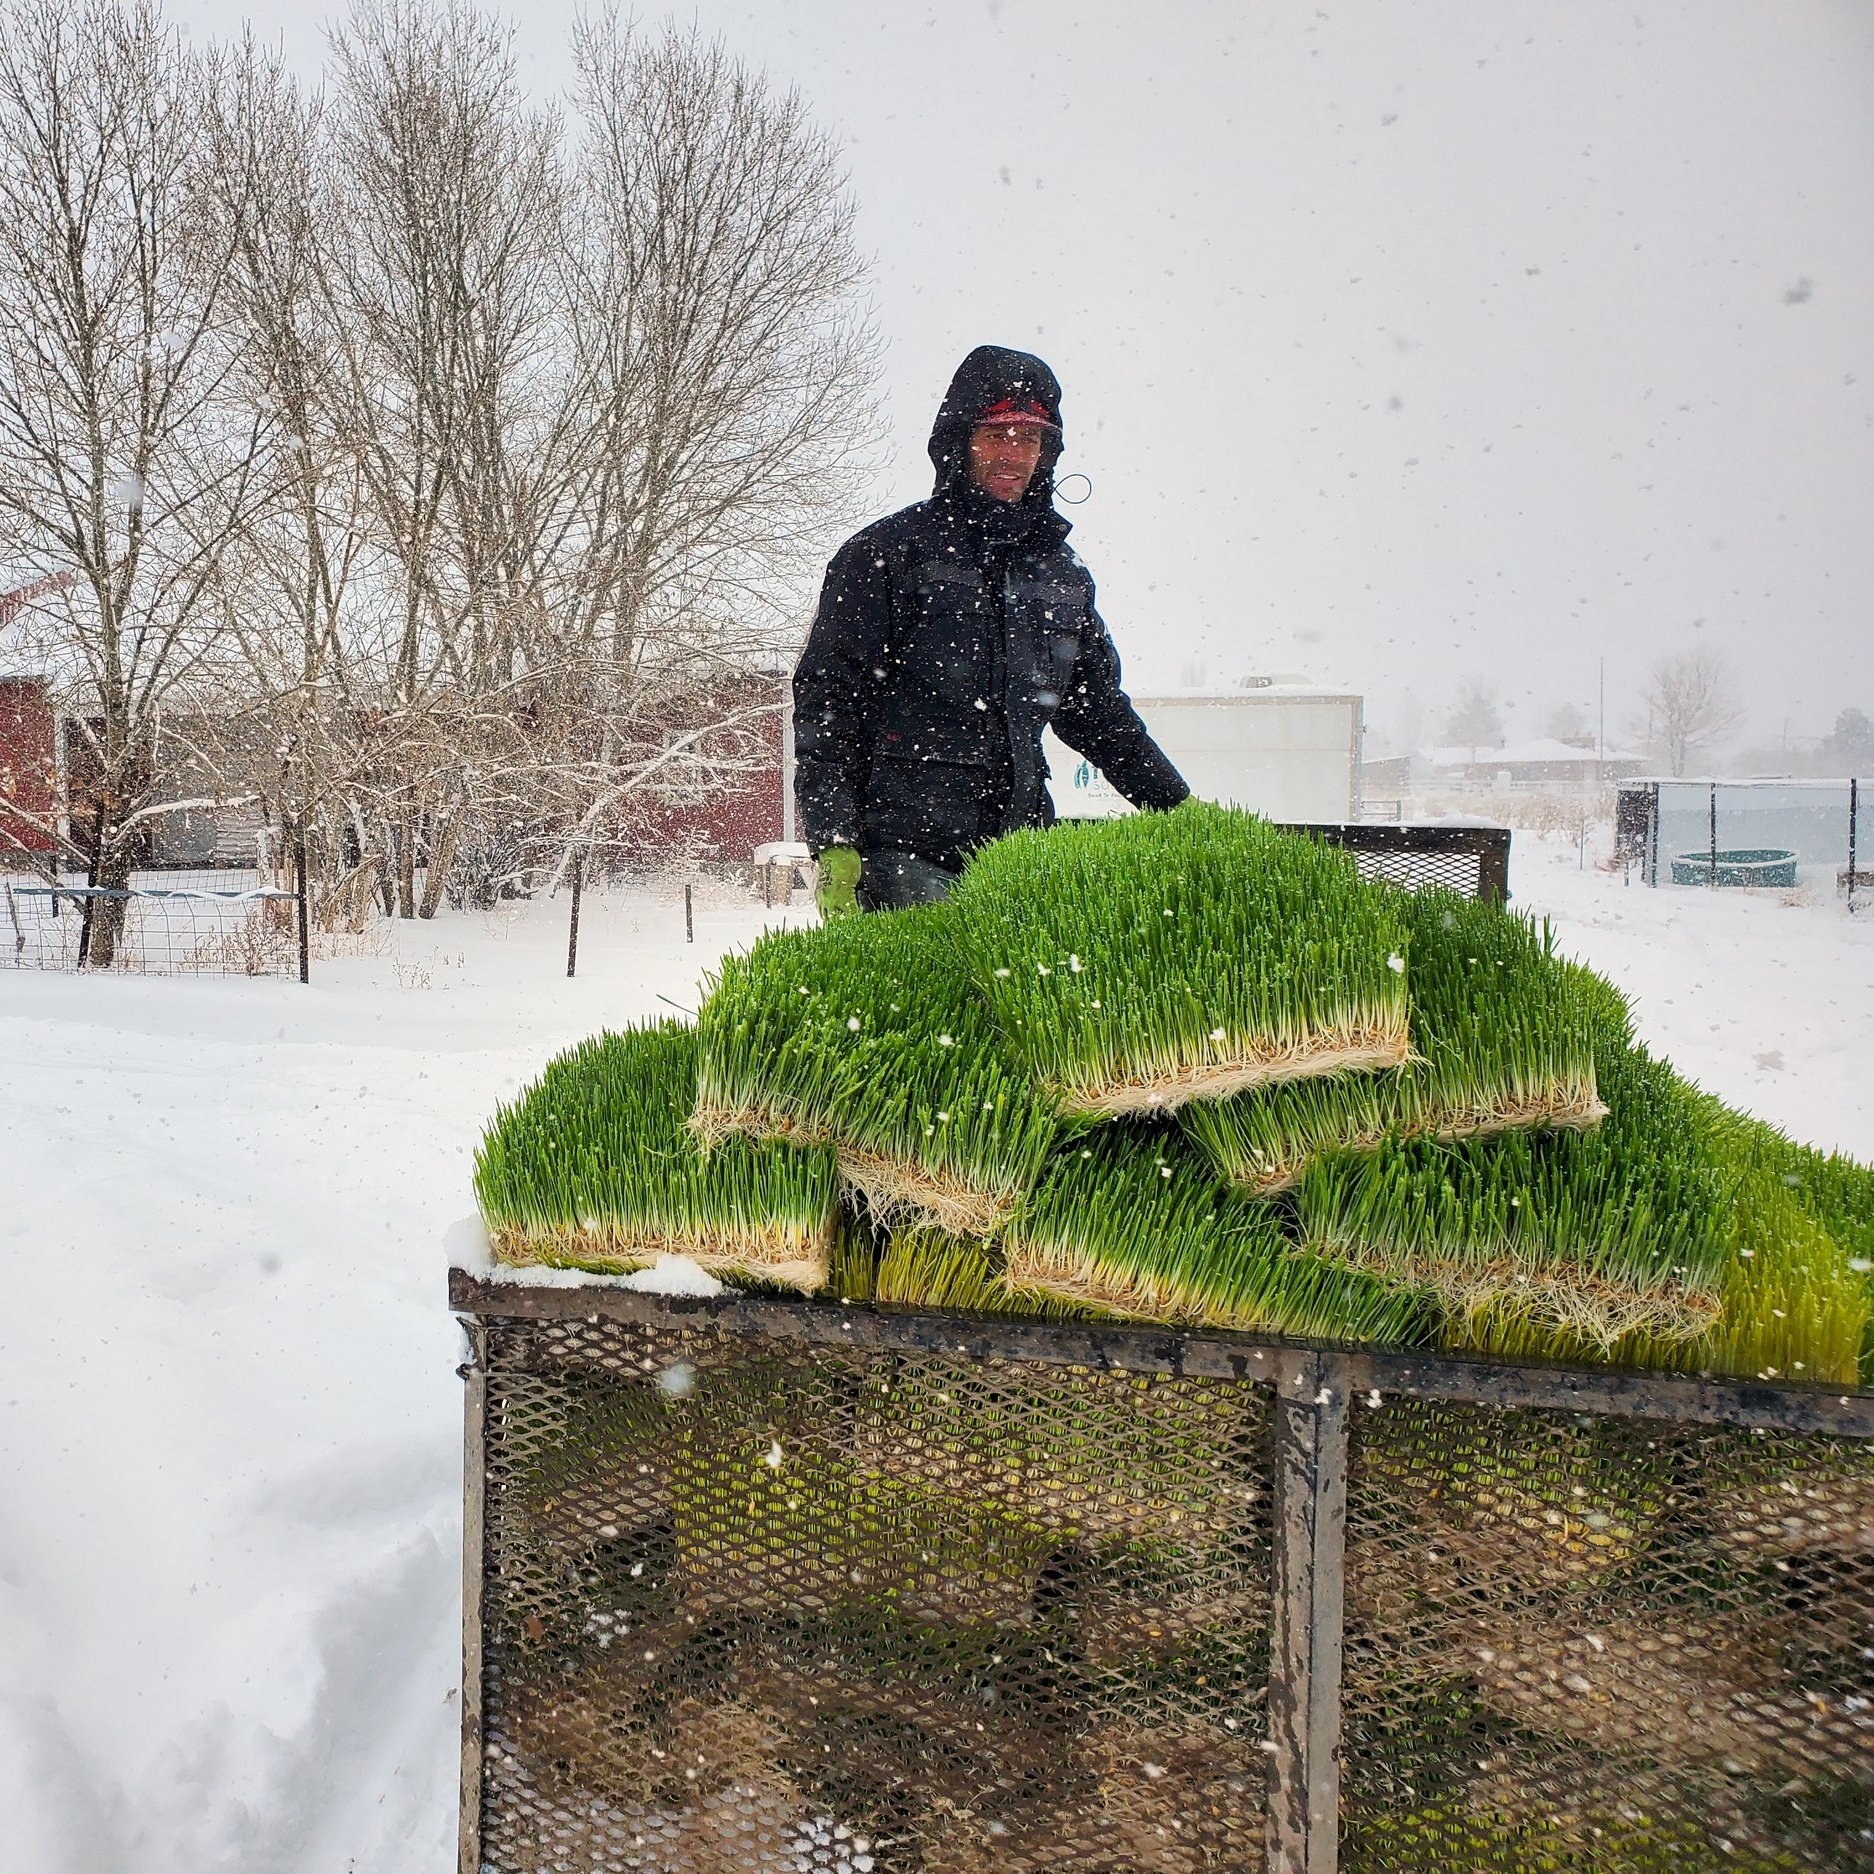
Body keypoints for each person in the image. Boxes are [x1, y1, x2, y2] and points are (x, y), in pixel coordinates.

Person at [793, 344, 1189, 915]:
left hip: (1018, 857)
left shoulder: (1060, 574)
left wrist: (1177, 805)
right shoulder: (886, 555)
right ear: (960, 440)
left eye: (1029, 438)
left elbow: (1099, 713)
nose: (1013, 454)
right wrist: (833, 838)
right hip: (905, 858)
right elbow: (830, 701)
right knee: (929, 1003)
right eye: (997, 433)